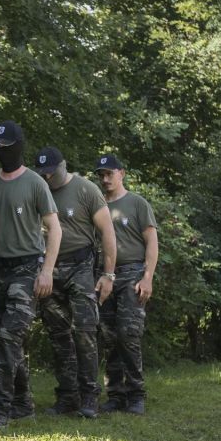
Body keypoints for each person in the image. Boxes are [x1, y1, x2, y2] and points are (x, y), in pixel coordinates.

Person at [0, 121, 61, 430]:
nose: (1, 151)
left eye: (6, 146)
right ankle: (23, 402)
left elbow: (54, 228)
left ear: (17, 146)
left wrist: (47, 271)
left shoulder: (35, 183)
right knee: (9, 340)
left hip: (27, 268)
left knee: (8, 337)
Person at [32, 146, 117, 418]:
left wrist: (108, 274)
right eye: (42, 173)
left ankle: (89, 396)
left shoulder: (85, 189)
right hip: (49, 269)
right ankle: (67, 395)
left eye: (51, 173)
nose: (47, 178)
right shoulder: (38, 190)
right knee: (58, 335)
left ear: (63, 166)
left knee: (85, 331)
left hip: (80, 267)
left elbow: (107, 232)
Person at [95, 154, 158, 414]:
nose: (105, 179)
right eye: (101, 174)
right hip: (104, 275)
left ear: (122, 173)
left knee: (128, 334)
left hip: (132, 273)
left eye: (110, 173)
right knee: (109, 335)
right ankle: (116, 394)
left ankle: (136, 394)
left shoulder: (137, 204)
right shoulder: (97, 205)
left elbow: (152, 242)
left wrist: (147, 277)